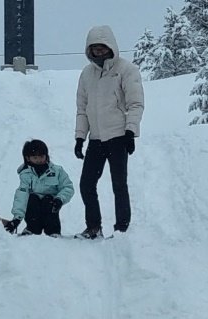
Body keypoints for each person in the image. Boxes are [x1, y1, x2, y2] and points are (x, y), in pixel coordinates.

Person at [74, 25, 145, 239]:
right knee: (86, 184)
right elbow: (82, 109)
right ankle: (93, 227)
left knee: (118, 185)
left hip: (118, 137)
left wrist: (130, 132)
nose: (99, 53)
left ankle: (121, 228)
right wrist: (80, 138)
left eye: (102, 48)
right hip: (96, 139)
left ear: (111, 47)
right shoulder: (87, 74)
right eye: (94, 49)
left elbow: (135, 104)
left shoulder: (126, 70)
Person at [4, 139, 75, 237]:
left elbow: (68, 187)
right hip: (34, 205)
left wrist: (60, 199)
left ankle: (53, 231)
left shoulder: (57, 171)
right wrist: (17, 218)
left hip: (50, 204)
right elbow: (22, 195)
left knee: (48, 200)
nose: (39, 160)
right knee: (32, 198)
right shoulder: (25, 174)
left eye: (41, 156)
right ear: (28, 158)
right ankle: (32, 229)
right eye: (35, 157)